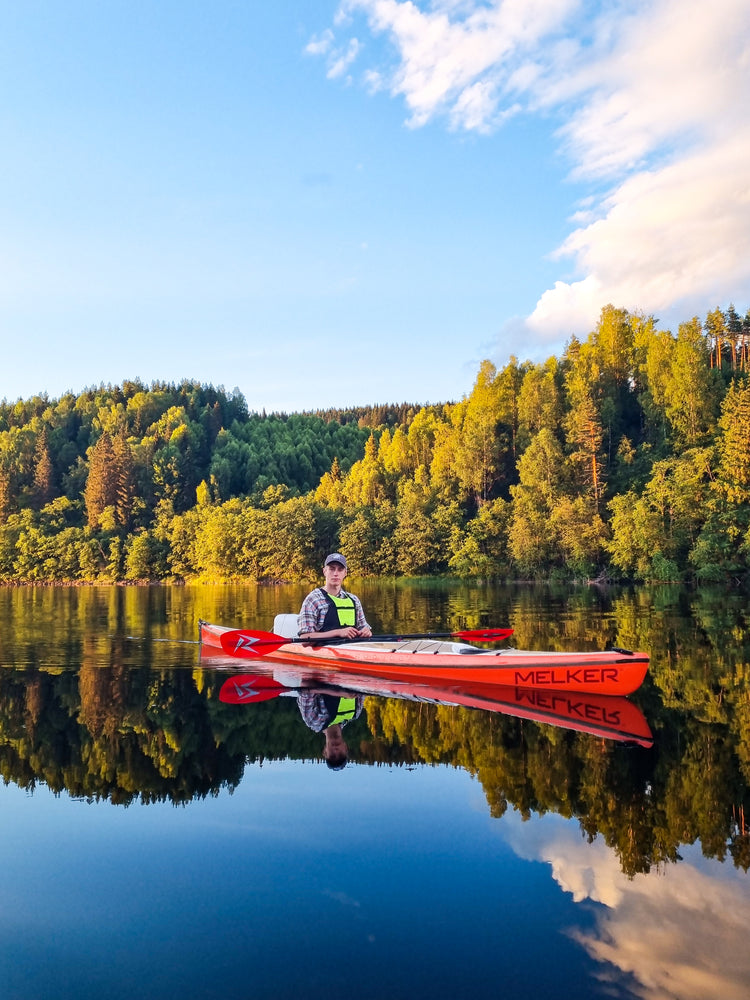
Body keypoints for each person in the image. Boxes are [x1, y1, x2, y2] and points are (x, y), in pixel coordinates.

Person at [297, 553, 373, 641]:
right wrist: (338, 632)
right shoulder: (313, 600)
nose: (336, 573)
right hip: (324, 651)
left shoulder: (354, 600)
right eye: (332, 569)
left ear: (345, 573)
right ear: (324, 571)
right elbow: (304, 639)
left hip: (351, 649)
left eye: (340, 570)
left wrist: (366, 631)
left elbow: (364, 628)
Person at [296, 689, 364, 770]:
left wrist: (338, 693)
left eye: (332, 755)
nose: (336, 750)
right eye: (341, 754)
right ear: (346, 748)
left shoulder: (313, 720)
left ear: (325, 752)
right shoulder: (355, 713)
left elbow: (305, 690)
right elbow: (363, 688)